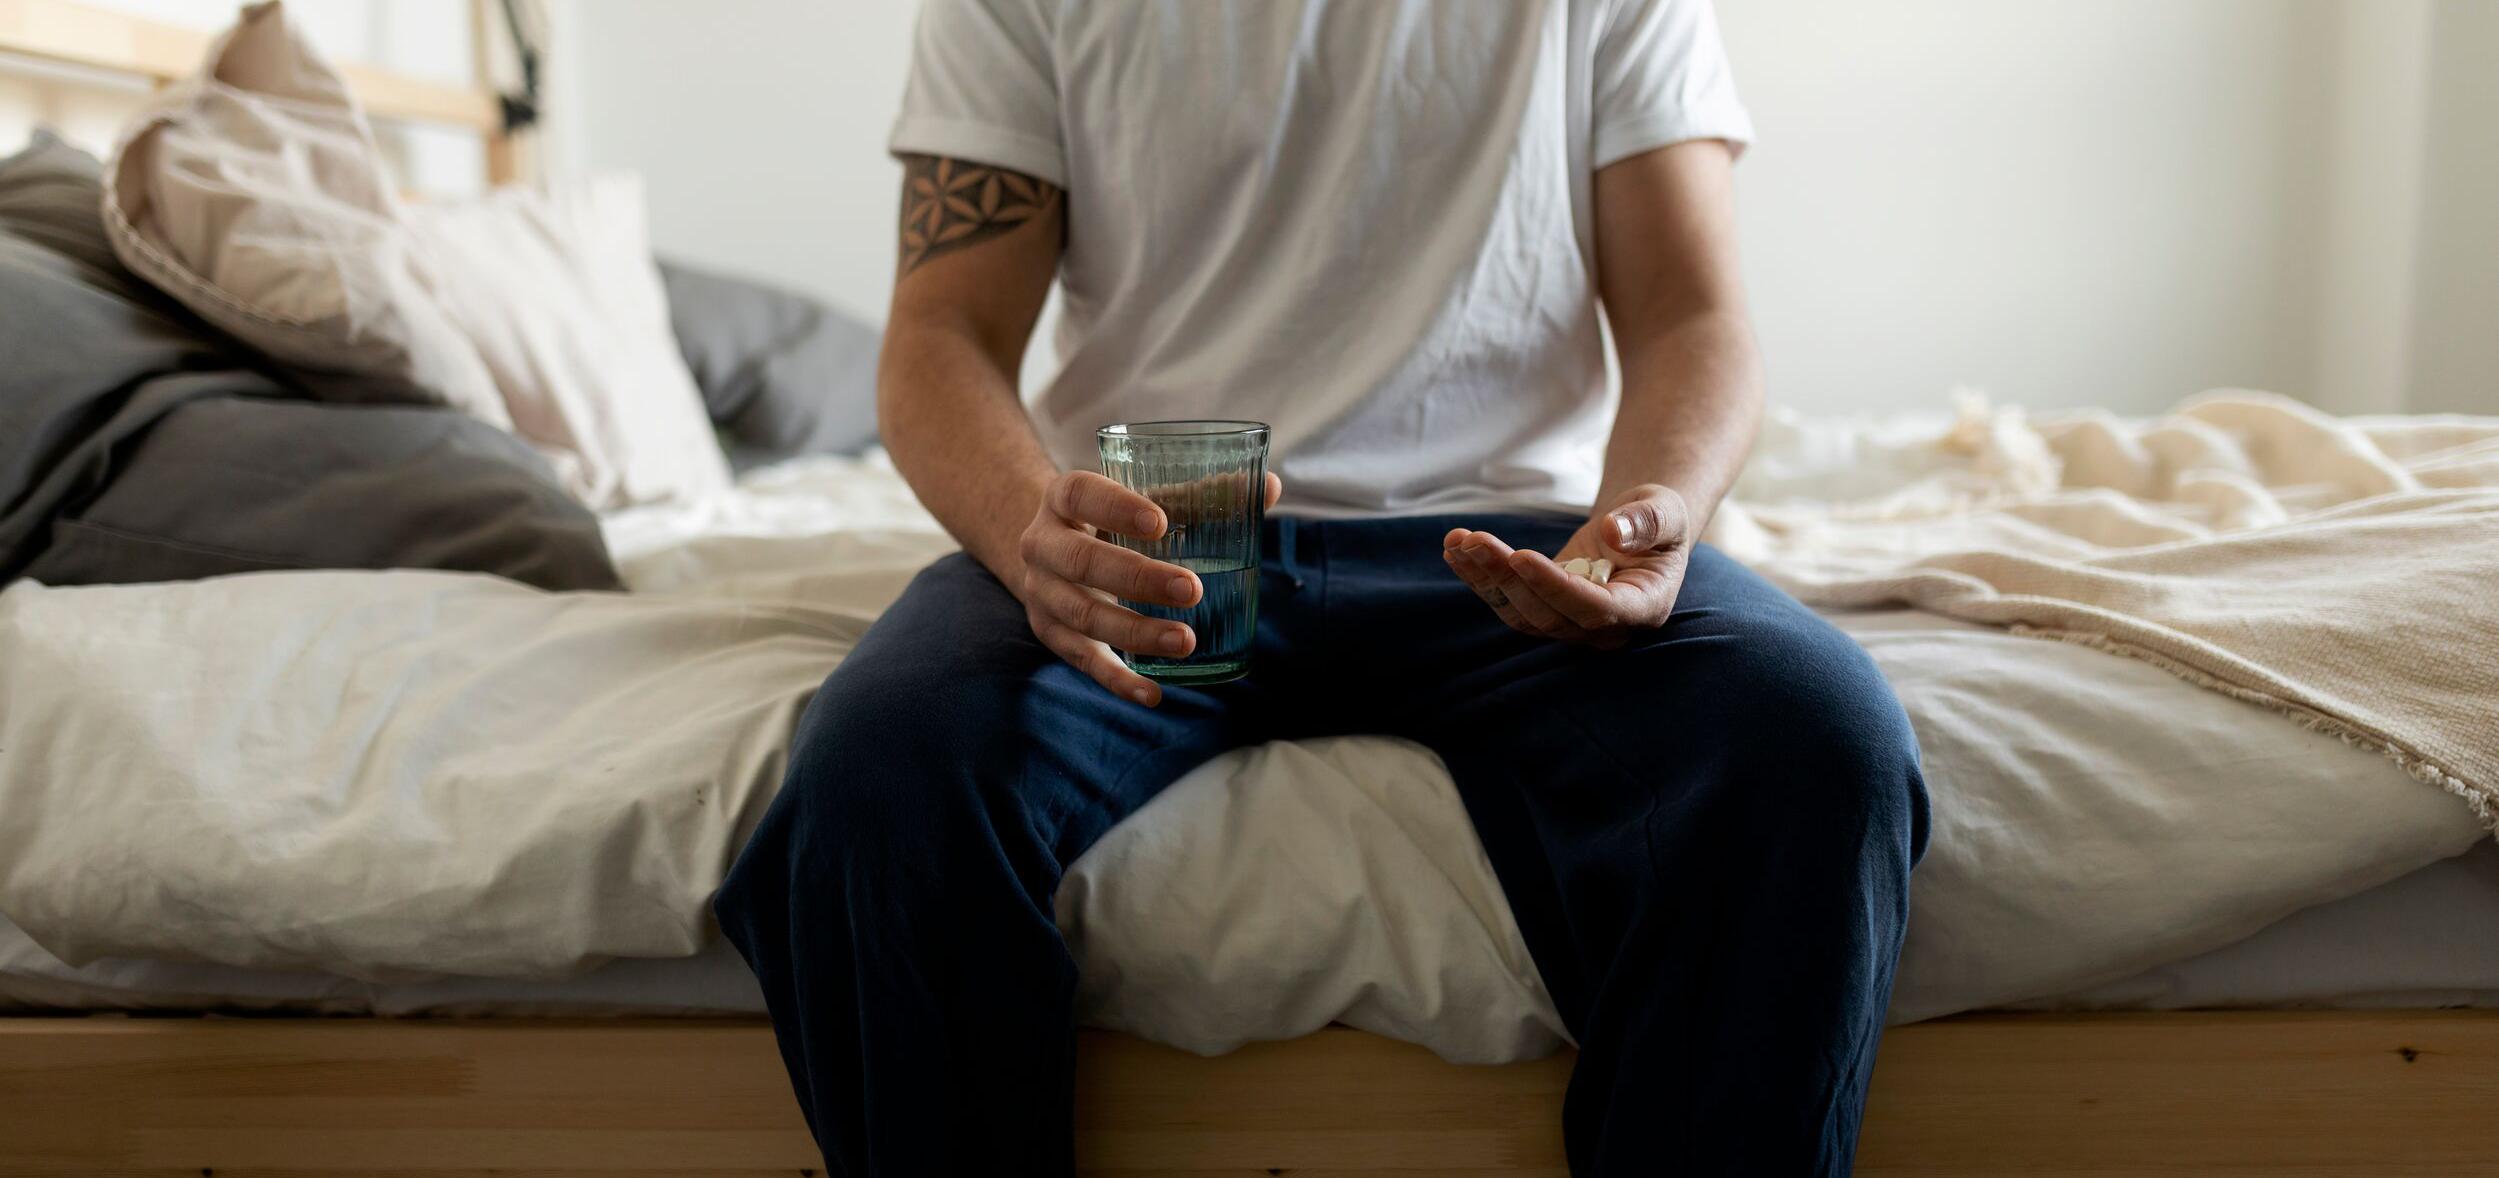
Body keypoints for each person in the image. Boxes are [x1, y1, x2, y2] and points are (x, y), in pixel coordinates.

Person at [714, 1, 1928, 1174]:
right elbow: (942, 333)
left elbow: (1691, 313)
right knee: (877, 775)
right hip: (1154, 539)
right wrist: (1032, 528)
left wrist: (1646, 520)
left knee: (1817, 738)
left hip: (1522, 551)